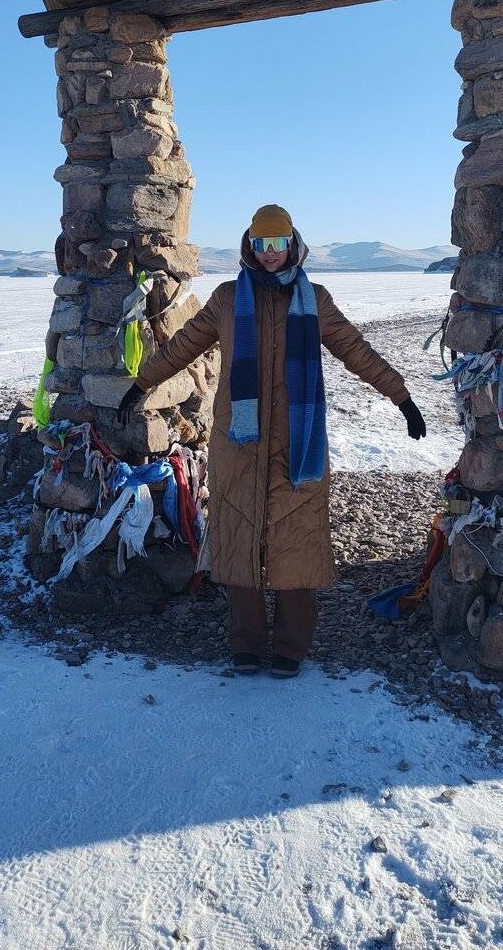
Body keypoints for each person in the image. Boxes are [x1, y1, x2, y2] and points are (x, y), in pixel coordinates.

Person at [117, 204, 426, 678]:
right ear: (249, 247)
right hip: (238, 440)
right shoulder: (226, 299)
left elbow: (354, 350)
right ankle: (245, 642)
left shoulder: (315, 300)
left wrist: (400, 397)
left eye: (279, 244)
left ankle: (290, 646)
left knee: (296, 540)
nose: (270, 254)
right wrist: (141, 384)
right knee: (240, 536)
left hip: (297, 443)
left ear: (293, 245)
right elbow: (183, 347)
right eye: (262, 245)